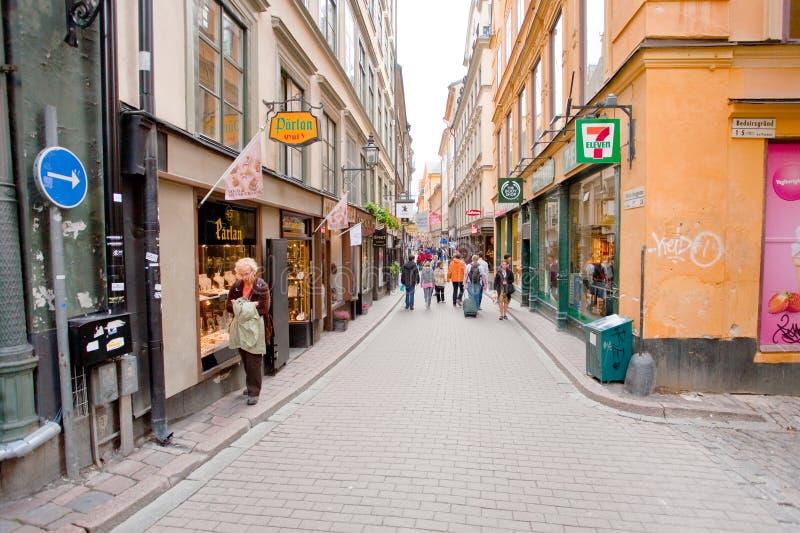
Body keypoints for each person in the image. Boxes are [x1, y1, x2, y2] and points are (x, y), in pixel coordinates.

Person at [226, 257, 272, 405]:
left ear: (253, 271)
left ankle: (254, 392)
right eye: (241, 274)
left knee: (254, 360)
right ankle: (251, 384)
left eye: (246, 273)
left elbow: (264, 308)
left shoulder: (261, 285)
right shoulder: (237, 286)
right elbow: (228, 306)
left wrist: (241, 306)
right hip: (240, 328)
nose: (244, 277)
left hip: (256, 328)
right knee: (245, 358)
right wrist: (251, 306)